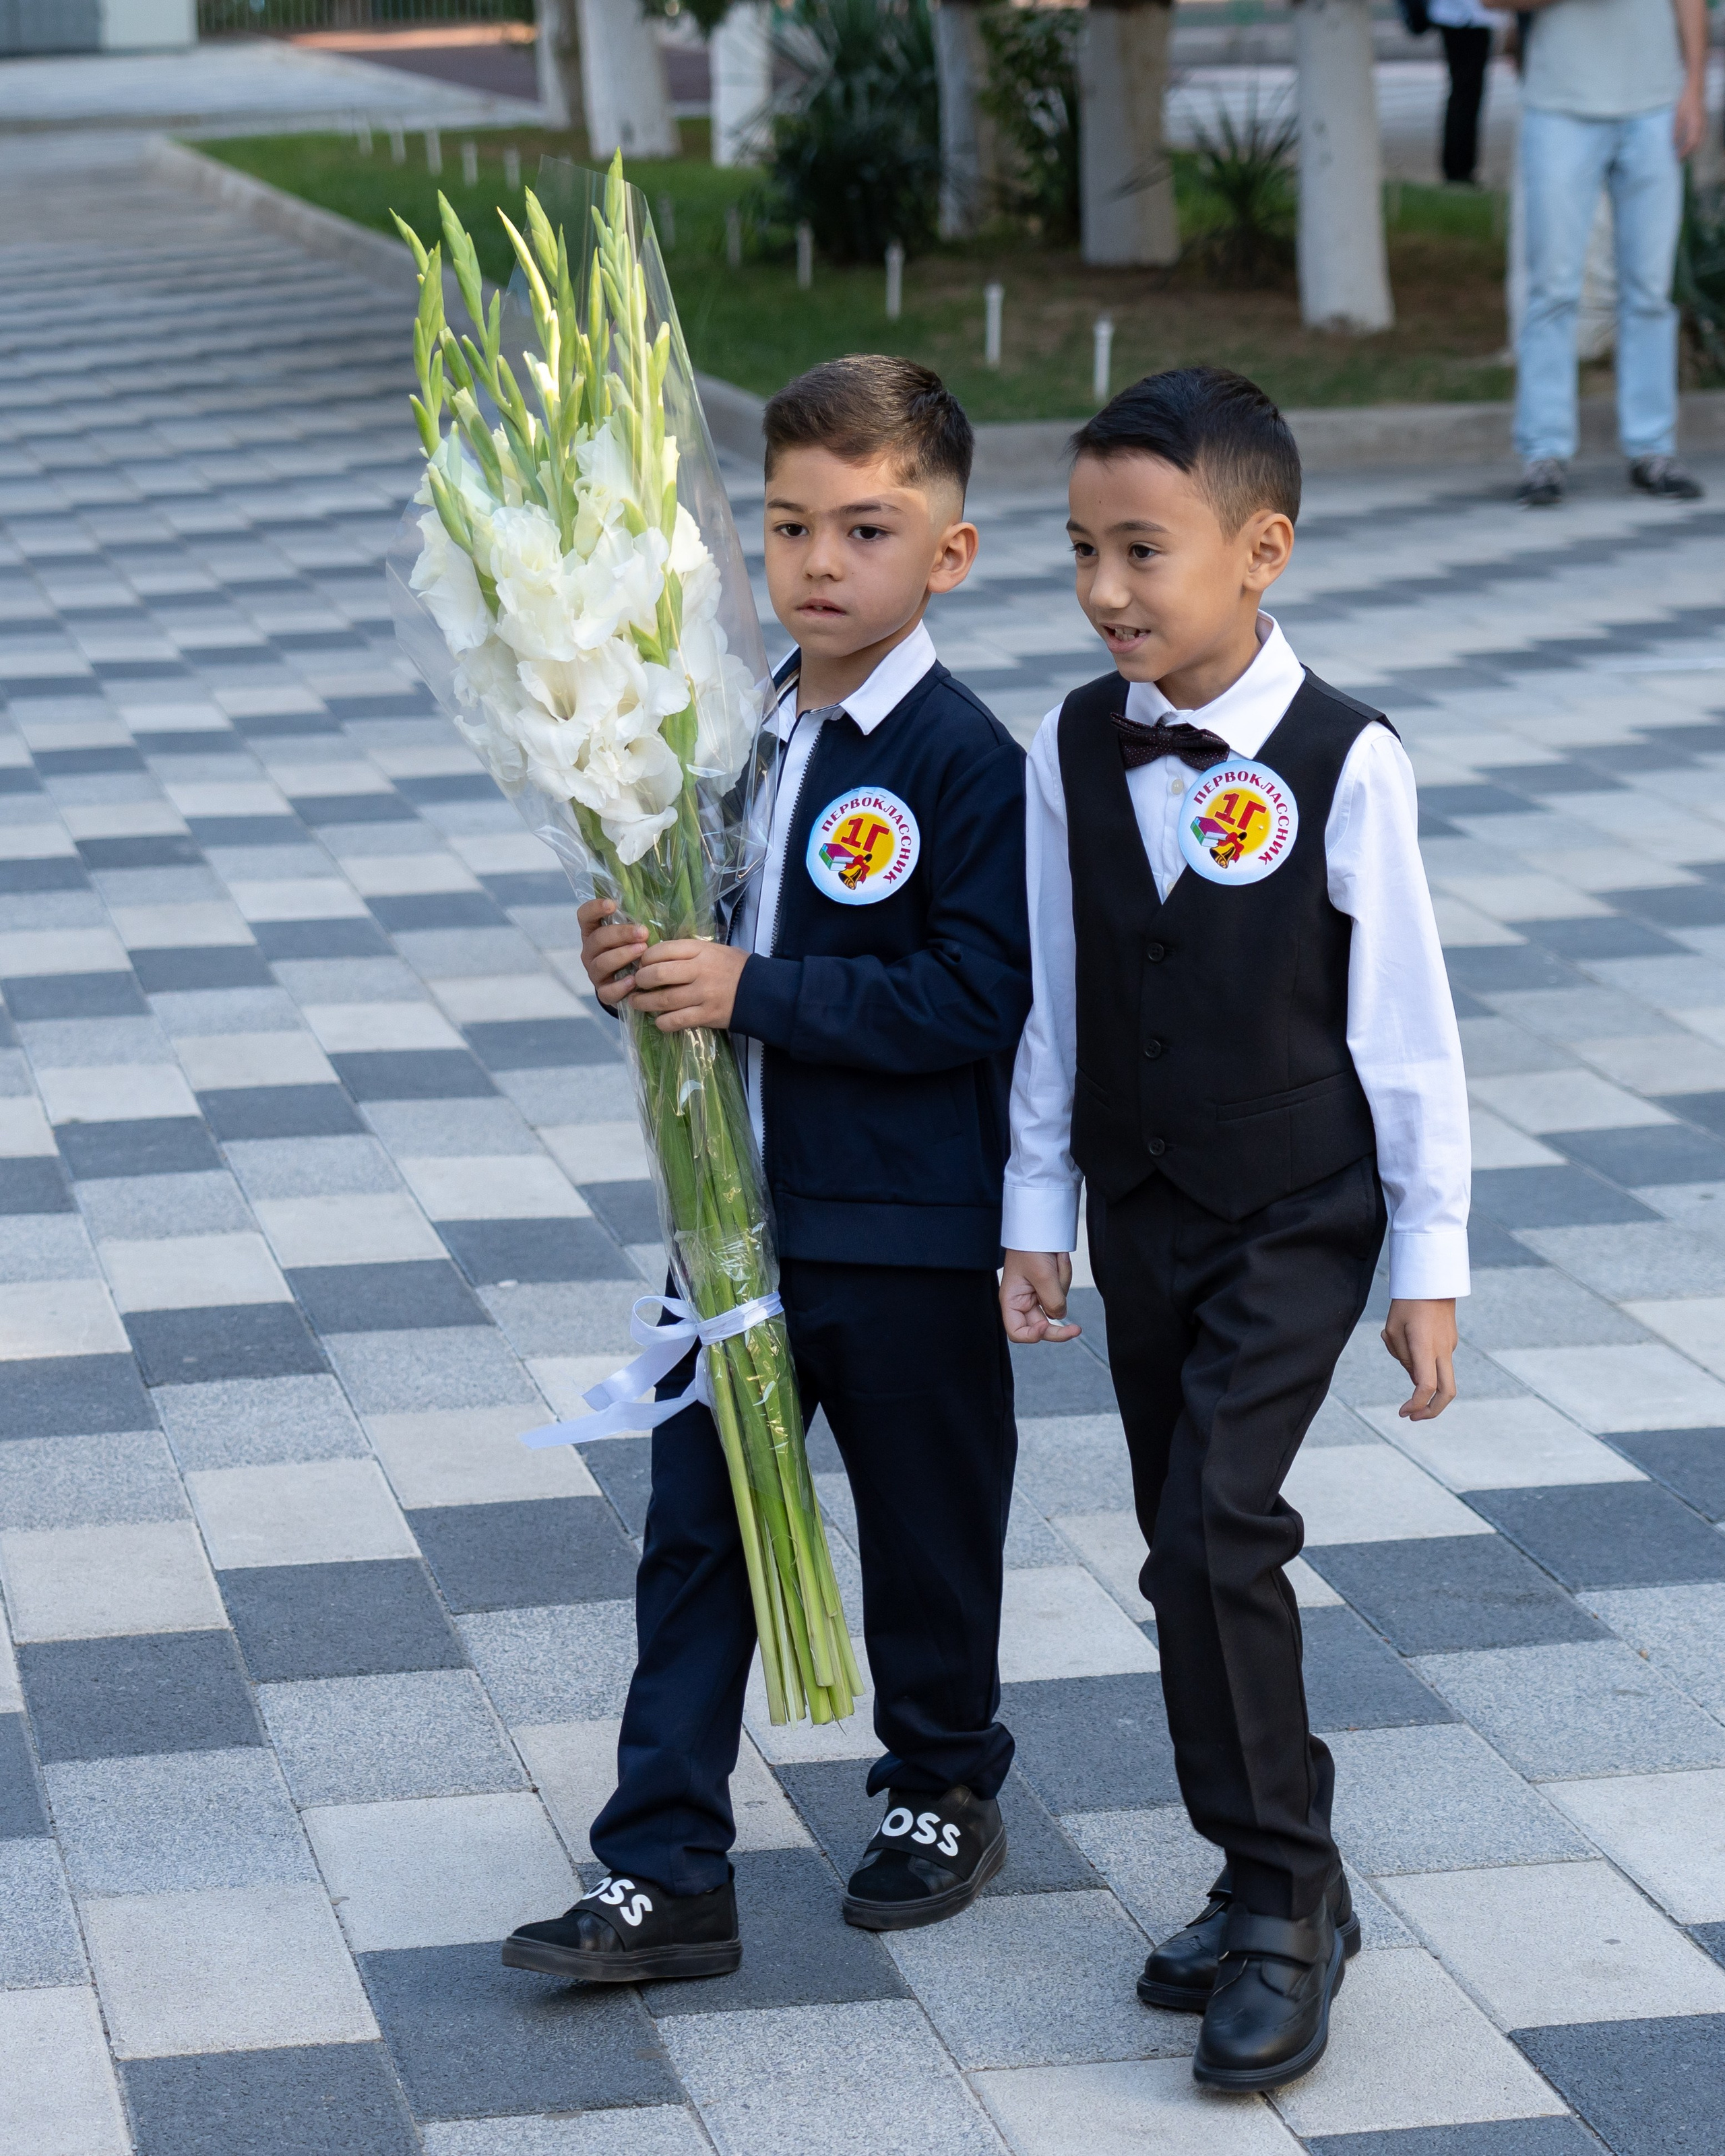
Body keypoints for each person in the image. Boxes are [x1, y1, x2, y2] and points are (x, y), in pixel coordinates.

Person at [503, 357, 1032, 1983]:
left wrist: (754, 993)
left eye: (865, 530)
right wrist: (642, 953)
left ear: (942, 554)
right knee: (696, 1534)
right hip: (735, 1227)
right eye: (789, 524)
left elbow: (975, 991)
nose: (818, 563)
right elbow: (712, 935)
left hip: (907, 1230)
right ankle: (664, 1864)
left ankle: (940, 1781)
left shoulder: (962, 760)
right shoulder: (733, 734)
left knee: (929, 1523)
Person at [1001, 367, 1470, 2091]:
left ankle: (1284, 1903)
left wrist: (1425, 1263)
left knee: (1217, 1519)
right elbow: (1054, 987)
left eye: (1142, 550)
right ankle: (1267, 1868)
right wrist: (1032, 1207)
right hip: (1142, 1207)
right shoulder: (1074, 737)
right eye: (1079, 553)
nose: (1105, 590)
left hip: (1297, 1206)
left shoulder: (1347, 760)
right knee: (1170, 1540)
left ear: (1258, 549)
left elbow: (1407, 1026)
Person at [1513, 0, 1711, 507]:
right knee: (1553, 289)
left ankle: (1653, 450)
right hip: (1559, 106)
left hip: (1654, 107)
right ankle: (1544, 455)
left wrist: (1693, 88)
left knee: (1649, 292)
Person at [1428, 0, 1497, 185]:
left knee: (1463, 92)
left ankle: (1459, 165)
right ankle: (1459, 168)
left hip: (1459, 16)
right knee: (1466, 93)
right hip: (1466, 18)